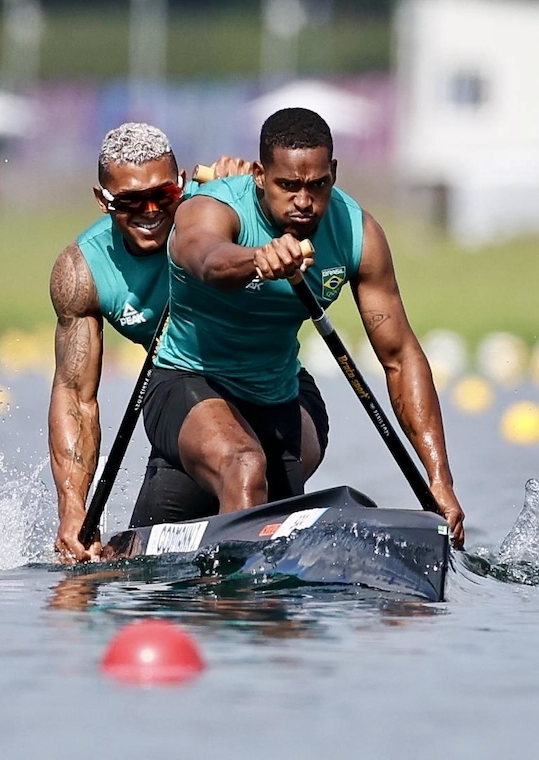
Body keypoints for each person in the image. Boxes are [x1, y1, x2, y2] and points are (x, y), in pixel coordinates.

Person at [145, 107, 465, 548]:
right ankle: (238, 607)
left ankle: (253, 584)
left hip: (278, 392)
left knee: (253, 484)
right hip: (188, 381)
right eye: (288, 186)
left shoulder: (358, 233)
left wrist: (439, 478)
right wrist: (256, 258)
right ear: (260, 175)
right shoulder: (213, 208)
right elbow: (206, 258)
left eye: (318, 185)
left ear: (333, 172)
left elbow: (400, 356)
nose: (303, 201)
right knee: (243, 467)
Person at [48, 122, 331, 563]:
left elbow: (274, 196)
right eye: (129, 201)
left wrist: (237, 190)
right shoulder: (82, 272)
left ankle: (242, 586)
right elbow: (75, 398)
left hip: (275, 389)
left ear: (181, 184)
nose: (150, 211)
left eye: (162, 196)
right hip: (186, 397)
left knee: (248, 470)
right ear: (102, 200)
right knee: (129, 562)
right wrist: (72, 510)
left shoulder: (212, 213)